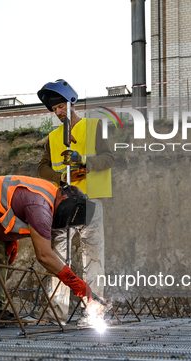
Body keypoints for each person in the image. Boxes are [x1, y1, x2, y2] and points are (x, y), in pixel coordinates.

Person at [0, 174, 95, 322]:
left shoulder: (49, 195)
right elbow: (44, 255)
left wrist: (10, 237)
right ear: (65, 201)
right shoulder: (41, 205)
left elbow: (14, 205)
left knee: (1, 255)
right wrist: (75, 282)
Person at [37, 79, 114, 325]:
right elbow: (42, 167)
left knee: (93, 258)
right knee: (59, 258)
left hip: (90, 202)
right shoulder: (52, 137)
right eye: (54, 109)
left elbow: (110, 158)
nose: (58, 112)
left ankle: (94, 312)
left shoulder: (95, 127)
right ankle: (57, 313)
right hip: (64, 203)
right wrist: (58, 177)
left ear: (71, 103)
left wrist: (84, 161)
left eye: (61, 106)